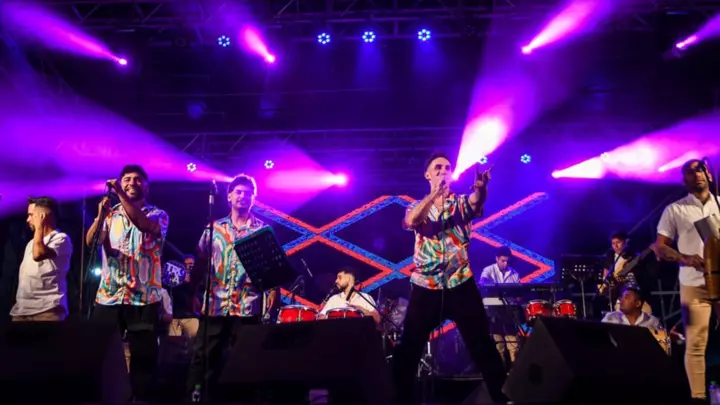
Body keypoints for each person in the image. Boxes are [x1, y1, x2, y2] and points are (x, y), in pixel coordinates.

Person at [393, 152, 508, 404]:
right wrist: (434, 195)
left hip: (460, 283)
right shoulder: (416, 206)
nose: (443, 171)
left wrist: (481, 189)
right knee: (408, 349)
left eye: (447, 168)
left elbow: (476, 203)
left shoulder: (460, 203)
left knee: (482, 345)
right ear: (427, 174)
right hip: (425, 286)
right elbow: (412, 221)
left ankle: (503, 397)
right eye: (438, 167)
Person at [186, 174, 277, 400]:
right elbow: (200, 263)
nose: (243, 196)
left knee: (246, 360)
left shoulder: (262, 230)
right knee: (204, 359)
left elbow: (272, 267)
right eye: (238, 192)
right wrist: (193, 292)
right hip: (215, 304)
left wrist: (273, 291)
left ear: (254, 199)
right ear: (229, 197)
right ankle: (196, 398)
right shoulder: (213, 228)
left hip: (247, 305)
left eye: (248, 193)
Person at [87, 164, 169, 401]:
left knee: (143, 359)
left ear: (147, 187)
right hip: (109, 295)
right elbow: (91, 241)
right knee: (100, 353)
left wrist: (119, 194)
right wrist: (100, 215)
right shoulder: (110, 214)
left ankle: (140, 400)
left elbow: (143, 225)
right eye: (127, 179)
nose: (132, 183)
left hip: (143, 297)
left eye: (138, 179)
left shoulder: (158, 214)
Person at [656, 159, 720, 404]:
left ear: (710, 175)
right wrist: (684, 257)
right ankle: (698, 398)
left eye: (701, 169)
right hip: (694, 283)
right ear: (684, 180)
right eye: (690, 172)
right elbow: (661, 247)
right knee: (696, 342)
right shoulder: (675, 209)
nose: (697, 174)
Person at [10, 197, 73, 321]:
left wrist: (40, 227)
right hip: (22, 310)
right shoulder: (31, 243)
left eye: (31, 215)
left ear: (43, 216)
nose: (28, 220)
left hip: (47, 310)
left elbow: (38, 255)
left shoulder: (61, 238)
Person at [478, 246, 520, 367]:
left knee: (513, 343)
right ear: (496, 258)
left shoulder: (514, 274)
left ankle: (515, 369)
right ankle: (500, 370)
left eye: (507, 261)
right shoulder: (488, 270)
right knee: (498, 343)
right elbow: (482, 282)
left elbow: (518, 295)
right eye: (503, 261)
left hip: (508, 310)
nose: (505, 264)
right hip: (493, 310)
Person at [599, 231, 652, 314]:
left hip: (637, 297)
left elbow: (646, 276)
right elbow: (605, 276)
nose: (615, 246)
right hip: (619, 298)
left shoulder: (634, 257)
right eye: (613, 243)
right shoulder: (610, 258)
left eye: (618, 242)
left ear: (626, 242)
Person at [169, 254, 201, 339]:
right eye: (185, 264)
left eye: (191, 264)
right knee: (173, 343)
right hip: (175, 317)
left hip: (191, 318)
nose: (188, 267)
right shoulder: (174, 278)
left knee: (193, 342)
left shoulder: (199, 279)